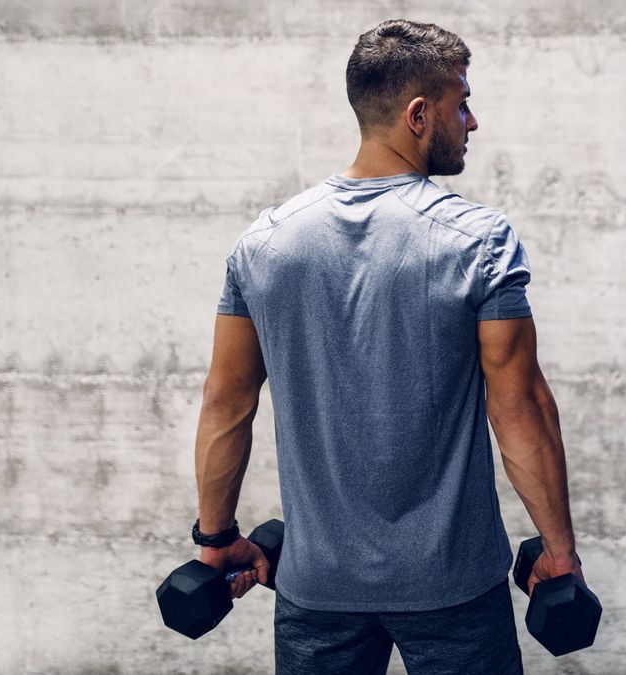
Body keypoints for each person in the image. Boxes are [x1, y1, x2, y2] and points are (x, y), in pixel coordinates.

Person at [189, 18, 585, 675]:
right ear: (419, 114)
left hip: (318, 588)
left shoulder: (264, 243)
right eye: (463, 103)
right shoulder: (479, 241)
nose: (473, 121)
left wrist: (215, 540)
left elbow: (225, 401)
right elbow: (519, 408)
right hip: (455, 587)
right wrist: (559, 553)